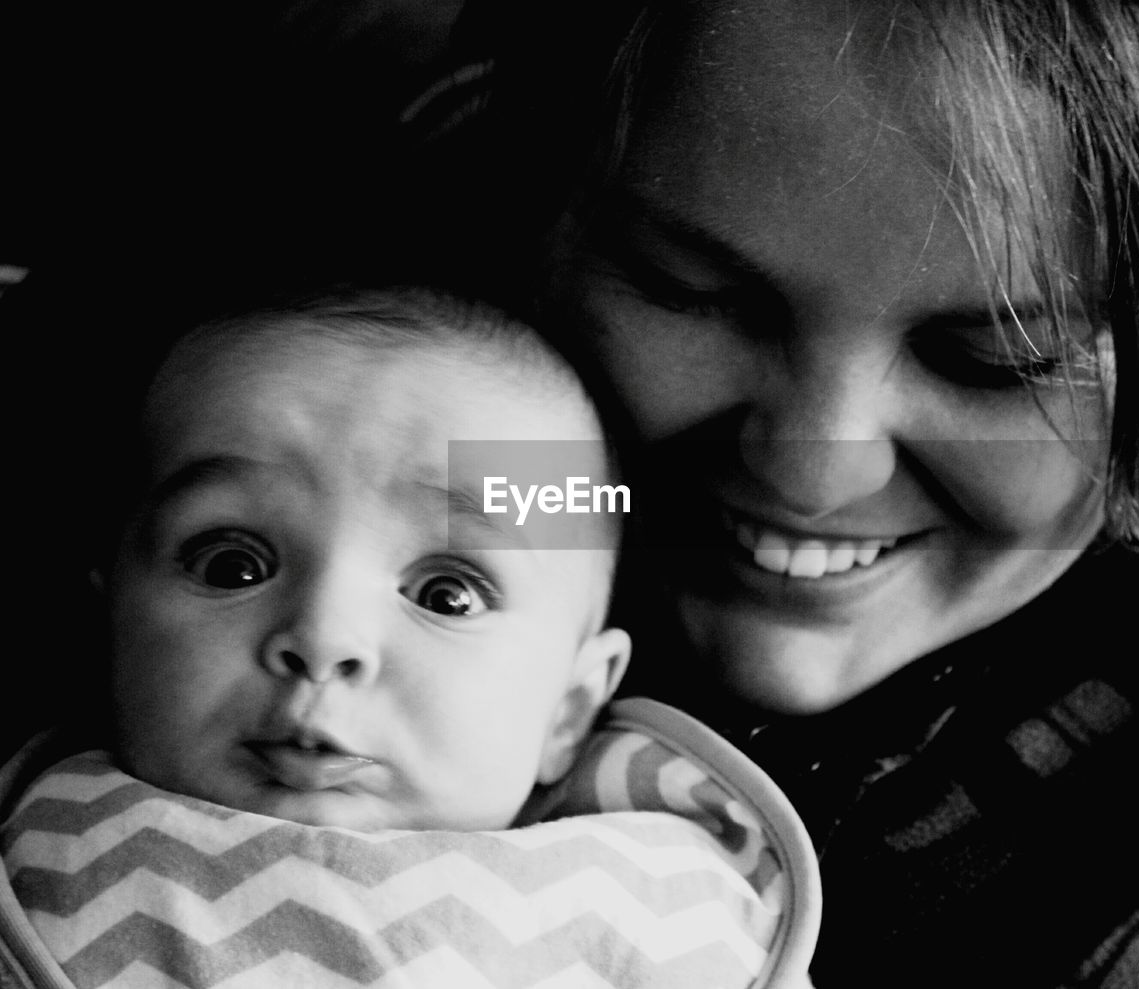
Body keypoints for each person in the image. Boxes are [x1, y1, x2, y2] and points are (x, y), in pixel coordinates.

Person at [403, 0, 1139, 984]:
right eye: (692, 290)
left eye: (993, 358)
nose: (811, 472)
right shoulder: (321, 434)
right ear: (528, 215)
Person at [0, 287, 820, 988]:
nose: (323, 637)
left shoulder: (663, 902)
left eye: (447, 593)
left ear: (567, 710)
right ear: (112, 623)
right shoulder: (43, 851)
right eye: (231, 564)